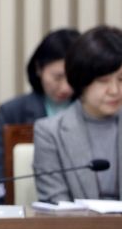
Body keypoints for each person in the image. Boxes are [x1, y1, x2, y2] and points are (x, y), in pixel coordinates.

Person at [33, 25, 122, 203]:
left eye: (121, 79)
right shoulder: (50, 132)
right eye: (103, 81)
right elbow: (56, 203)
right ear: (82, 80)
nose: (114, 90)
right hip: (76, 222)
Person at [0, 28, 80, 193]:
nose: (66, 87)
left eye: (72, 77)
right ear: (39, 69)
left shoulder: (91, 110)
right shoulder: (12, 112)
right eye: (58, 77)